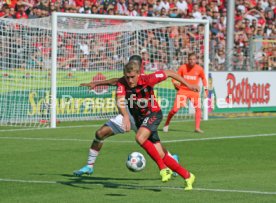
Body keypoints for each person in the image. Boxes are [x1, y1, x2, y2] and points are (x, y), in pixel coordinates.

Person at [74, 55, 177, 182]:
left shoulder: (144, 78)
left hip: (144, 117)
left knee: (157, 148)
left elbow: (167, 74)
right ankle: (89, 166)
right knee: (100, 133)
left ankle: (172, 160)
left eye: (134, 64)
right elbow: (115, 81)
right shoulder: (128, 77)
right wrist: (96, 83)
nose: (131, 67)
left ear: (140, 67)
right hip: (127, 114)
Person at [114, 61, 198, 190]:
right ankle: (188, 176)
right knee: (161, 153)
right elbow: (119, 100)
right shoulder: (122, 83)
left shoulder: (148, 79)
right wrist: (125, 116)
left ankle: (163, 169)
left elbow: (170, 73)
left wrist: (188, 85)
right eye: (127, 77)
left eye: (132, 77)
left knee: (139, 138)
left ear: (138, 74)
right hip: (141, 119)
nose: (129, 80)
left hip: (154, 113)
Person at [163, 52, 208, 133]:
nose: (192, 61)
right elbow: (174, 77)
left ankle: (197, 128)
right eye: (190, 59)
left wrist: (205, 90)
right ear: (188, 60)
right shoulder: (183, 67)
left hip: (194, 92)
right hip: (183, 91)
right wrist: (176, 84)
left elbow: (204, 79)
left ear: (196, 60)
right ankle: (166, 123)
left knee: (198, 108)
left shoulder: (199, 69)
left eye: (193, 59)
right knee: (174, 110)